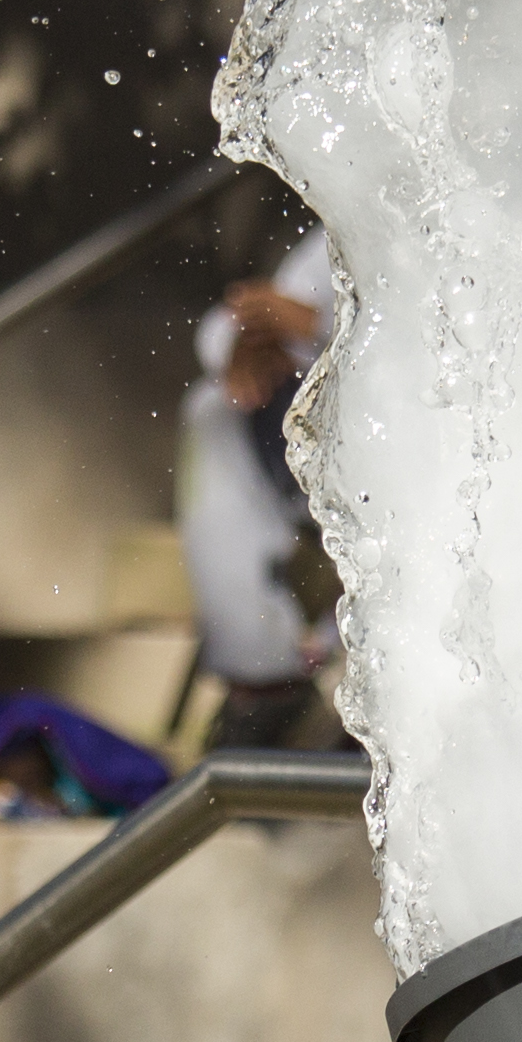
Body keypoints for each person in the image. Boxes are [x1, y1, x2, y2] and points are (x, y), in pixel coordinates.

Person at [179, 226, 337, 742]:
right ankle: (264, 677)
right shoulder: (369, 199)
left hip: (446, 432)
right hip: (339, 428)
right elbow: (253, 312)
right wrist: (246, 343)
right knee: (213, 410)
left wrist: (315, 325)